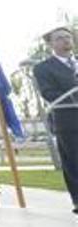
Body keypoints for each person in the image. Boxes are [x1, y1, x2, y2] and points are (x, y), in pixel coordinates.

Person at [33, 26, 78, 214]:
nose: (66, 40)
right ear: (51, 44)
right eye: (60, 38)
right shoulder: (43, 68)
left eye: (68, 37)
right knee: (74, 162)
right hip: (68, 122)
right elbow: (49, 93)